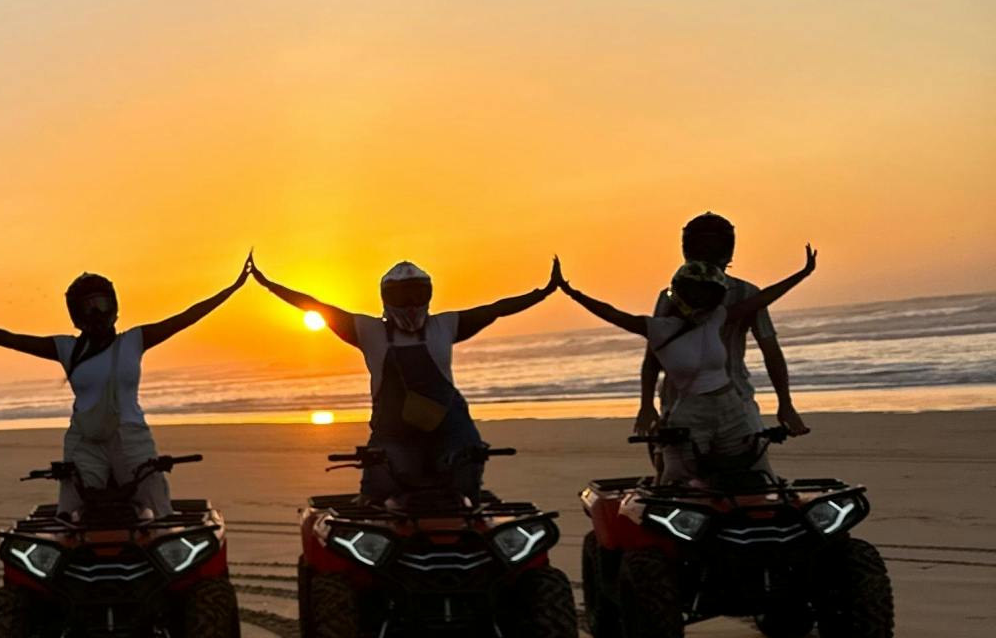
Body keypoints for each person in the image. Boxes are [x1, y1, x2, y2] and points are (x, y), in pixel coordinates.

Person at [0, 258, 250, 519]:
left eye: (102, 304)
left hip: (131, 436)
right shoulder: (66, 349)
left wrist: (233, 288)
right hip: (84, 442)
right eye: (88, 307)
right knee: (71, 509)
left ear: (114, 306)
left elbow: (187, 317)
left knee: (159, 503)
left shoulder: (134, 341)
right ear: (76, 315)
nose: (97, 313)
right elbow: (12, 339)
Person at [251, 252, 561, 501]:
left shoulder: (446, 324)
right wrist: (269, 284)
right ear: (387, 298)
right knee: (378, 487)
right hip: (393, 430)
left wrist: (543, 292)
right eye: (402, 296)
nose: (411, 303)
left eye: (417, 293)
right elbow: (314, 305)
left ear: (428, 294)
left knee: (468, 473)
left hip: (450, 425)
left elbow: (496, 309)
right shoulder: (367, 329)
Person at [559, 247, 818, 482]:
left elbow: (761, 300)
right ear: (681, 293)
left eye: (708, 293)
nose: (701, 300)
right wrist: (572, 293)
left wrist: (802, 274)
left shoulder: (717, 317)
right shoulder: (658, 329)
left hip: (732, 407)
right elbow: (612, 313)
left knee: (753, 472)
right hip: (690, 413)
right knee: (678, 479)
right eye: (695, 293)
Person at [636, 211, 809, 444]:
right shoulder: (745, 294)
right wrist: (646, 406)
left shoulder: (673, 295)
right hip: (696, 401)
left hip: (713, 401)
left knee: (679, 469)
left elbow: (772, 353)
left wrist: (786, 405)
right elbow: (771, 350)